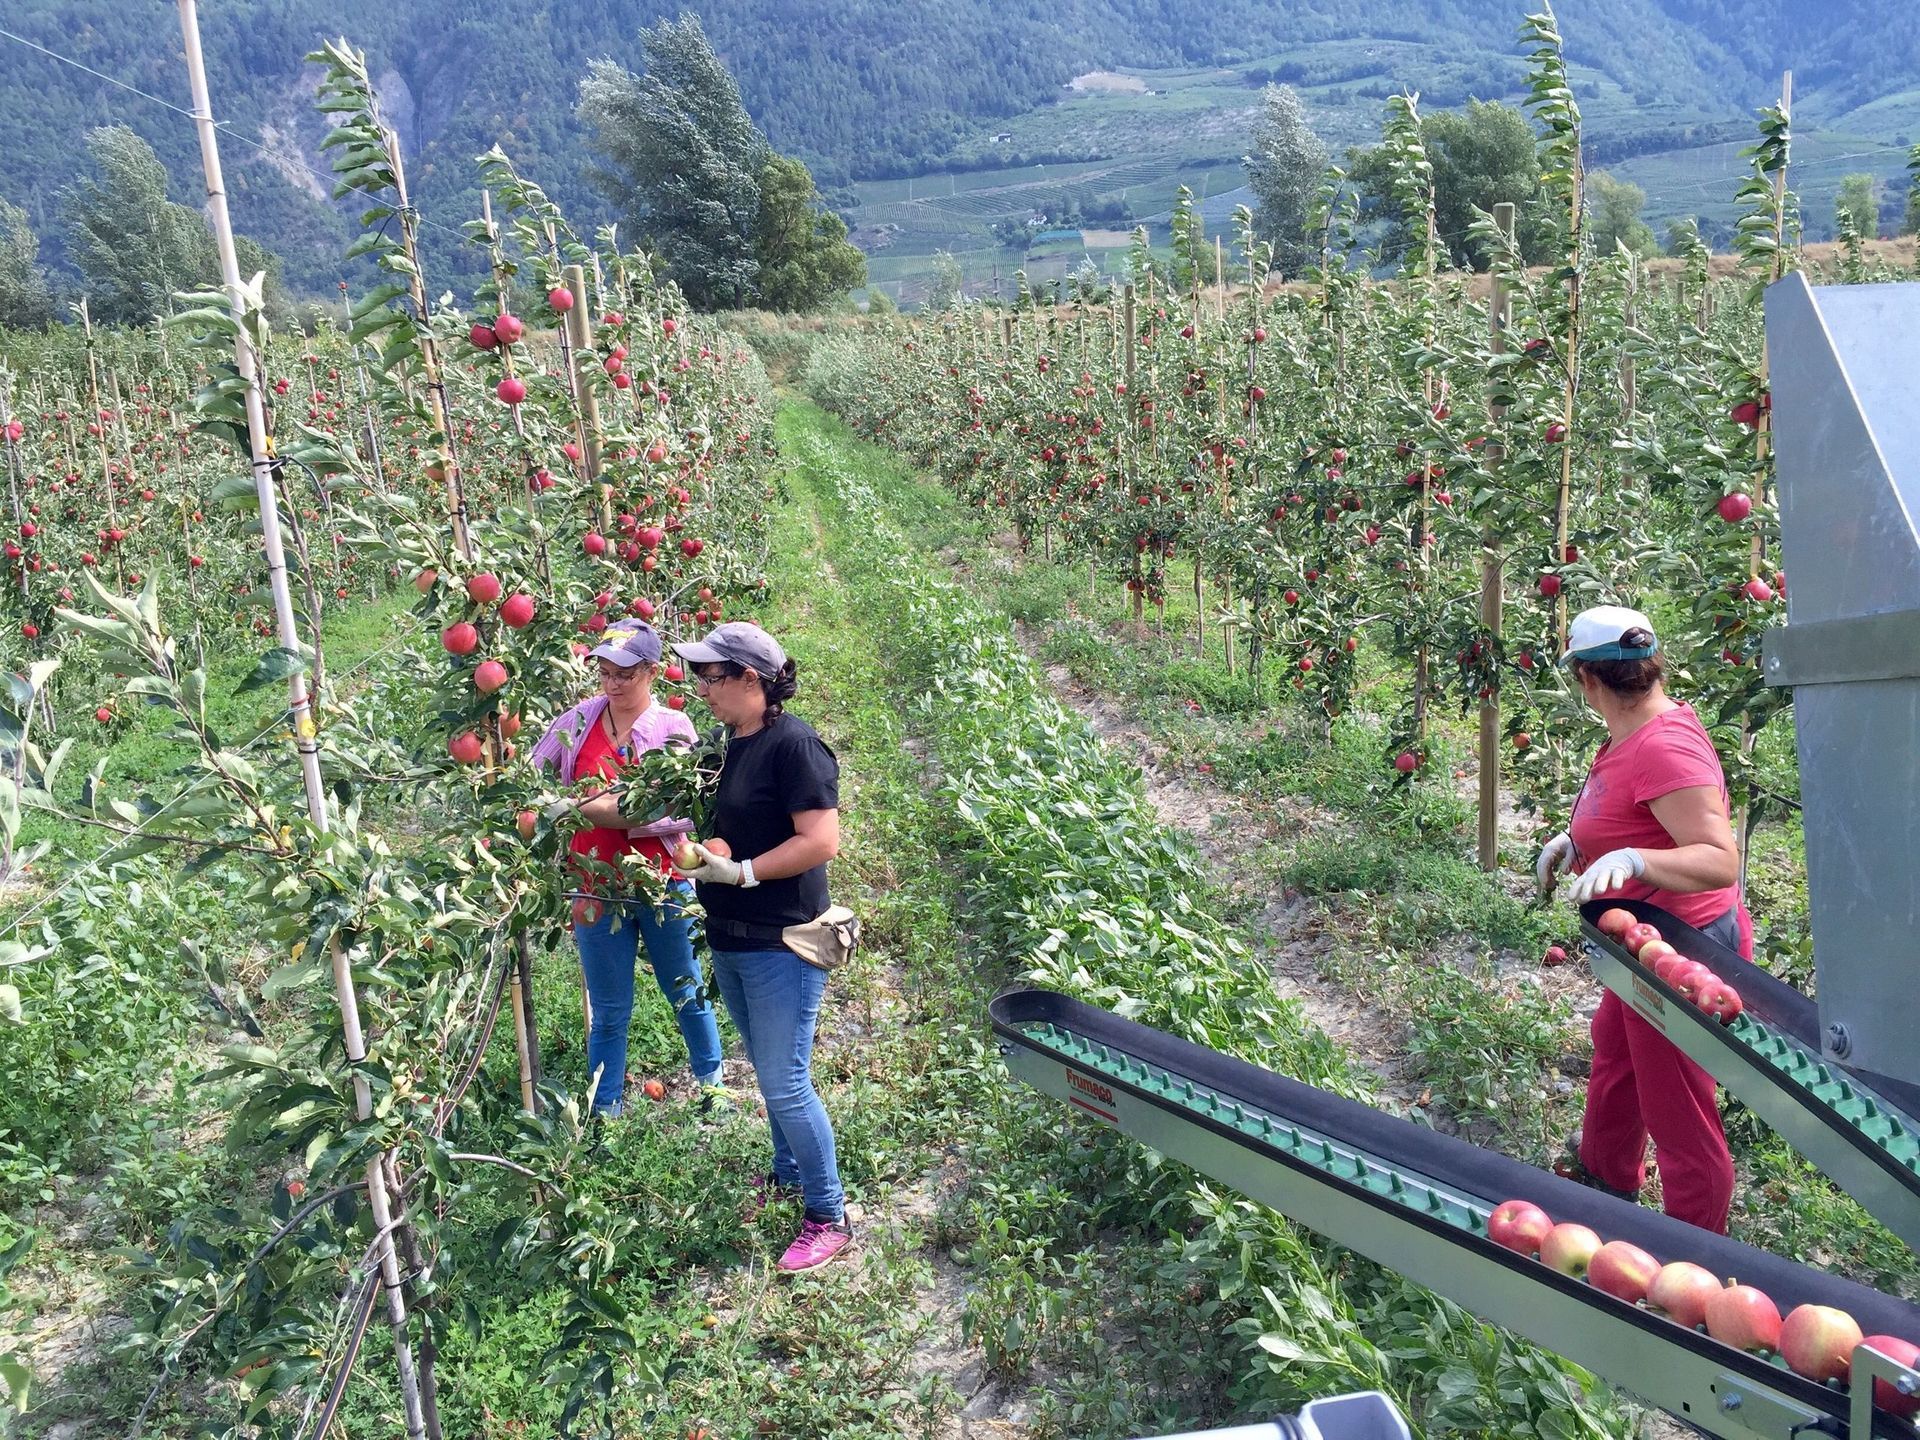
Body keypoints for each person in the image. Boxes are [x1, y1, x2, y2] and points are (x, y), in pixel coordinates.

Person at [1536, 606, 1748, 1234]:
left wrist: (1636, 860)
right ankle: (1606, 1180)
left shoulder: (1665, 746)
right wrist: (1580, 843)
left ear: (1587, 678)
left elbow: (1719, 860)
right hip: (1641, 941)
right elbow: (1637, 812)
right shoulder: (1635, 729)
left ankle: (1697, 1254)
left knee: (1678, 1109)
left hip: (1683, 951)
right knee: (1619, 1054)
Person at [668, 621, 851, 1273]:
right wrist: (710, 853)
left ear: (751, 679)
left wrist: (742, 872)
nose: (701, 689)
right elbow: (729, 830)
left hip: (782, 940)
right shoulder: (726, 746)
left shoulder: (794, 746)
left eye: (711, 677)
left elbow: (821, 841)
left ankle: (829, 1215)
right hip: (733, 936)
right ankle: (787, 1173)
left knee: (785, 1080)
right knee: (769, 1069)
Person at [529, 622, 729, 1119]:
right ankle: (606, 1110)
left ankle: (714, 1088)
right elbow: (535, 776)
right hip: (594, 885)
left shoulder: (672, 729)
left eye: (625, 674)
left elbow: (679, 807)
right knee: (609, 1008)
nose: (612, 683)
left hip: (662, 881)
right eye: (604, 672)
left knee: (685, 988)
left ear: (652, 672)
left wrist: (582, 807)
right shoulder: (579, 720)